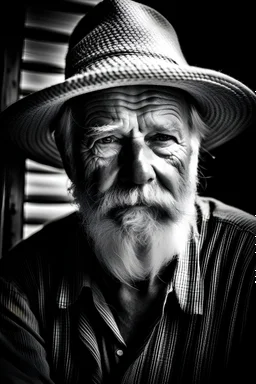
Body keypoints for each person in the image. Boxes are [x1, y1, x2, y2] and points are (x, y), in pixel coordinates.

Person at [0, 0, 255, 383]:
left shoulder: (251, 259)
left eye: (163, 138)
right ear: (70, 159)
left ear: (195, 152)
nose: (138, 173)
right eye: (106, 140)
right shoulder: (19, 285)